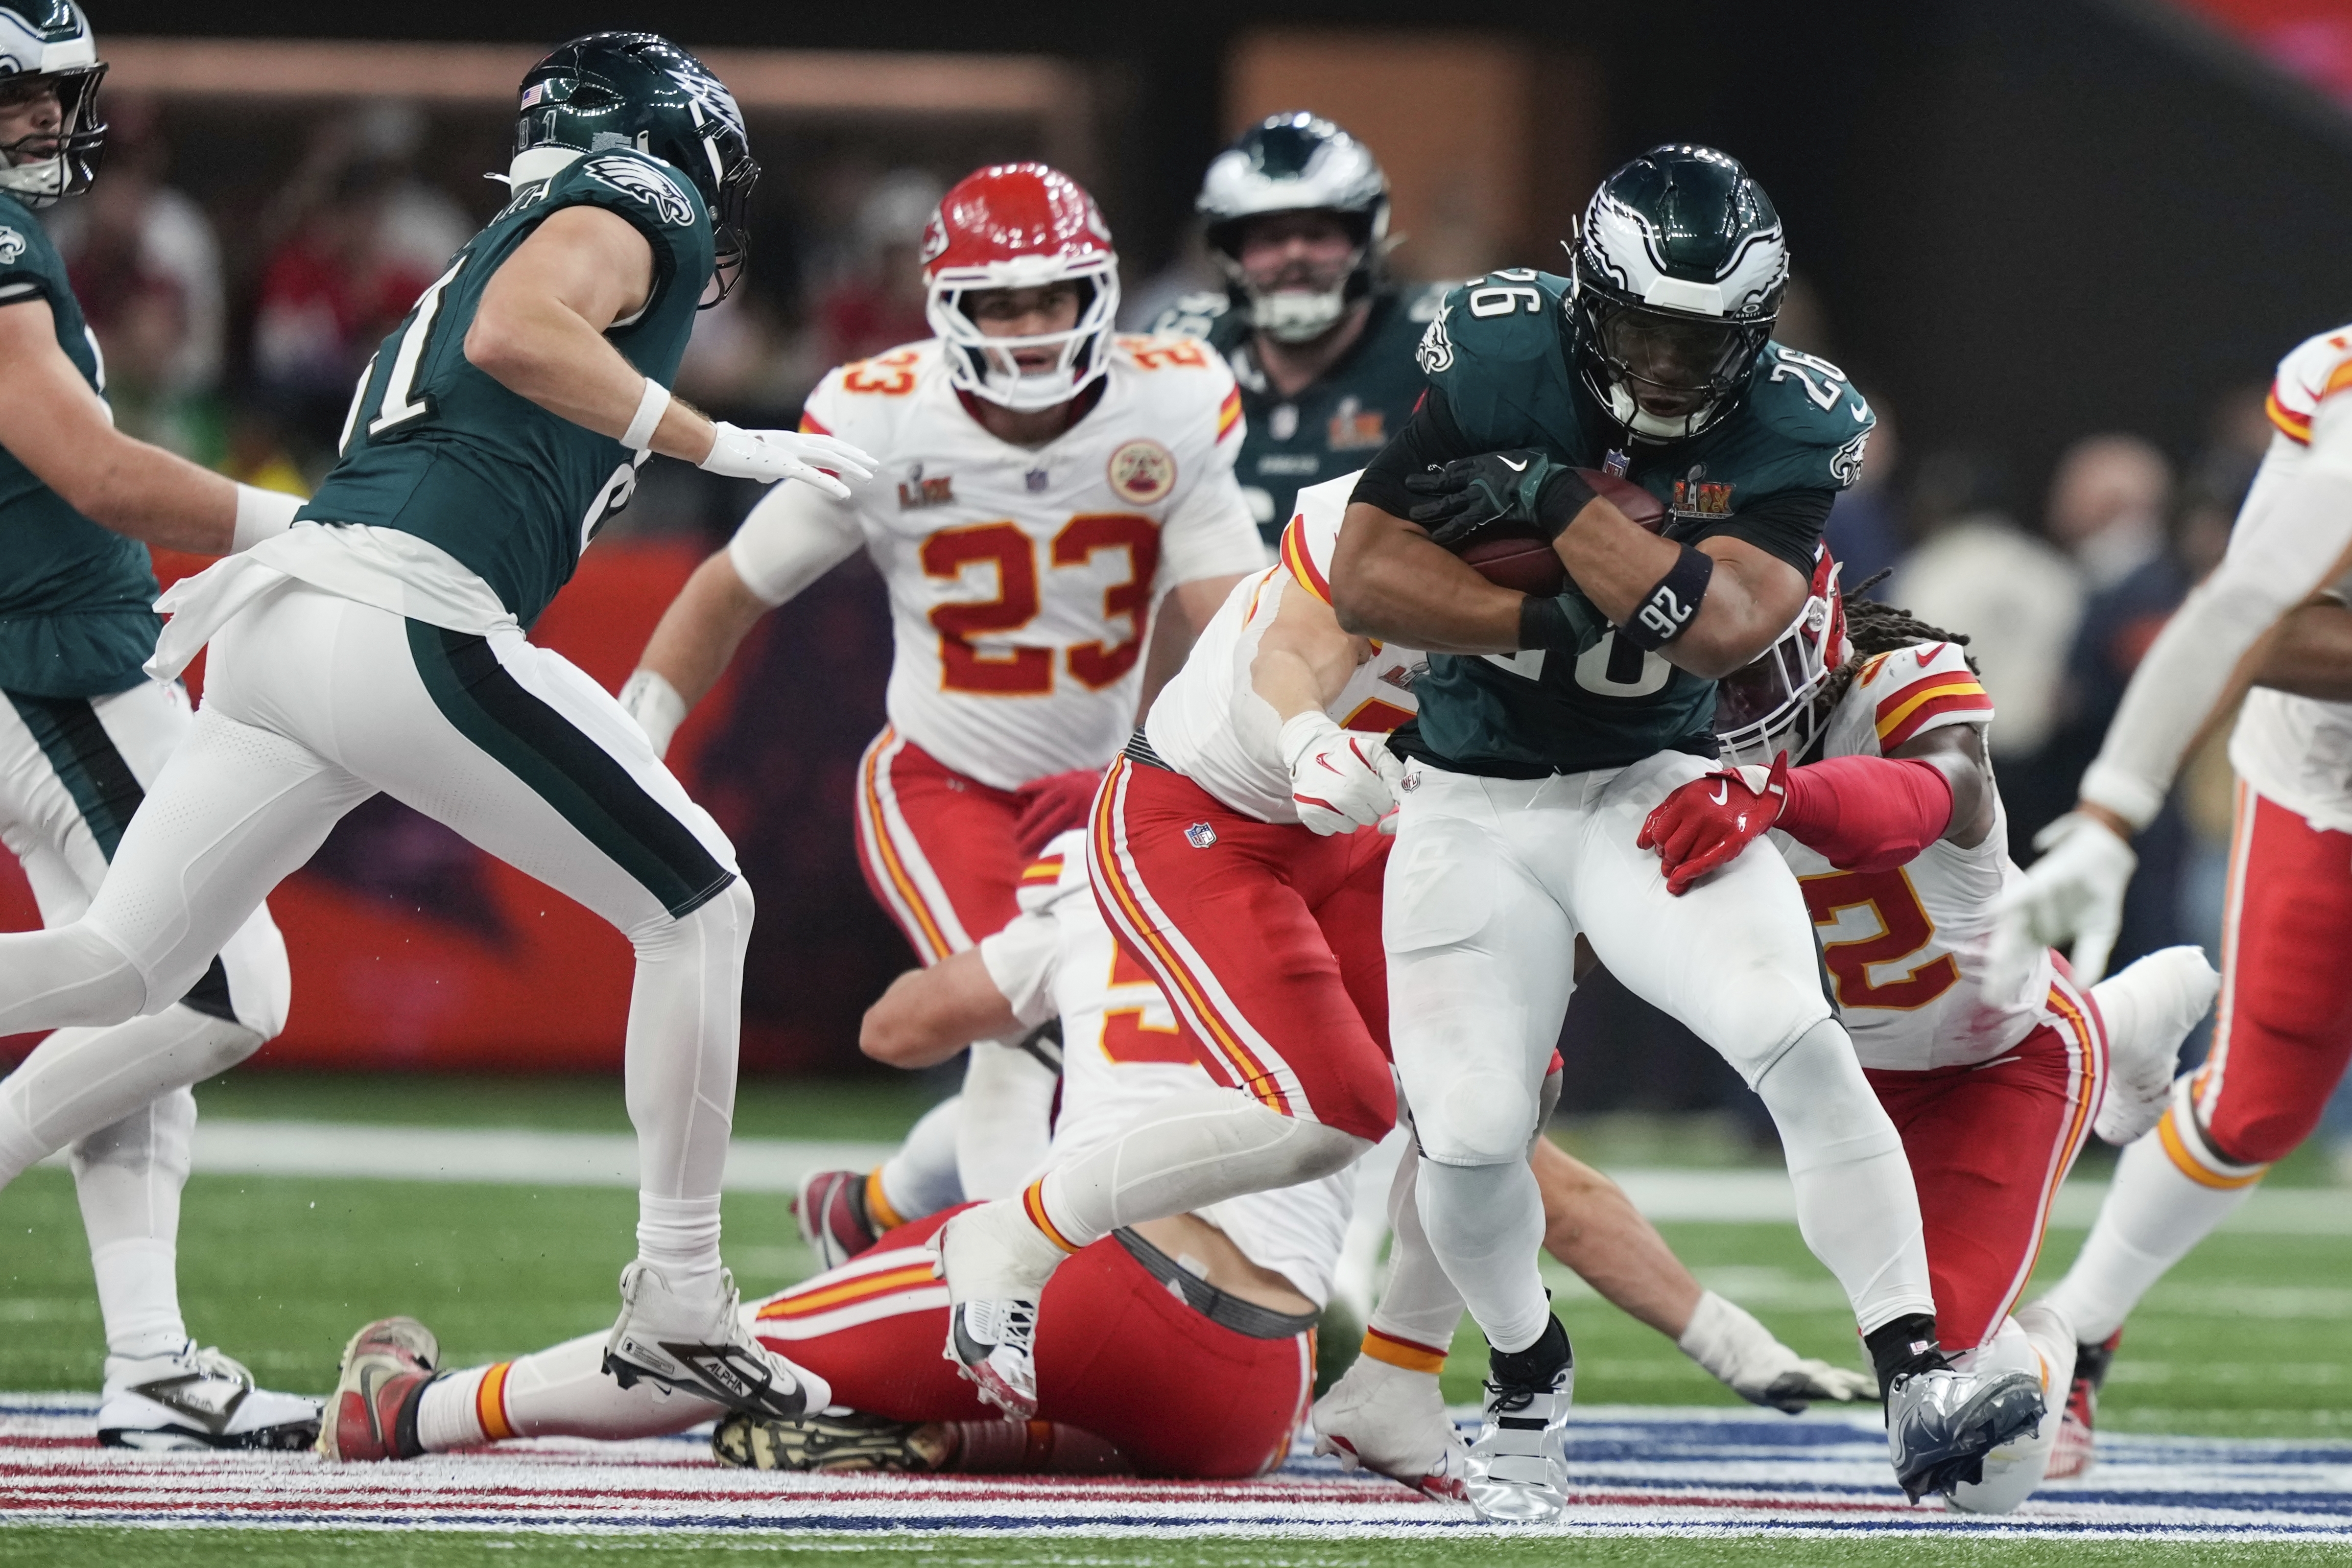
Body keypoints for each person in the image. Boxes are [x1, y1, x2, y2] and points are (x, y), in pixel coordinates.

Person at [0, 30, 879, 1449]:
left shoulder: (510, 225)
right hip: (399, 609)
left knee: (129, 964)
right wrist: (728, 444)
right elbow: (517, 336)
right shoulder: (629, 194)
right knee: (701, 902)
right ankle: (679, 1299)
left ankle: (677, 1301)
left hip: (299, 618)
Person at [1320, 144, 2041, 1518]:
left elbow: (1719, 624)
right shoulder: (1493, 352)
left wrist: (1545, 501)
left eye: (1701, 338)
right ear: (1589, 301)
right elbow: (1367, 579)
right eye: (1644, 325)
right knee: (1469, 1132)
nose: (1665, 364)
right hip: (1468, 799)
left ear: (1756, 335)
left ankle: (1916, 1371)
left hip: (1653, 776)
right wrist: (1554, 612)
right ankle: (1526, 1374)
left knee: (1790, 1030)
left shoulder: (1793, 418)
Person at [618, 163, 1265, 1206]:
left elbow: (1234, 618)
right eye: (998, 303)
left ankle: (878, 1208)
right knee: (1017, 1016)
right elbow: (731, 586)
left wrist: (1249, 751)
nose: (1027, 328)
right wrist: (637, 727)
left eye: (1049, 298)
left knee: (1105, 1036)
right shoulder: (888, 417)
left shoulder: (1168, 402)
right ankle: (1012, 1293)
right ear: (947, 309)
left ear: (1095, 295)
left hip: (1100, 792)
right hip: (944, 780)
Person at [321, 820, 1346, 1478]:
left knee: (706, 1338)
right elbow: (1481, 1162)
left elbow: (895, 1029)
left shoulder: (1106, 878)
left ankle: (414, 1412)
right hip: (1260, 1397)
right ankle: (949, 1424)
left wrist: (1033, 981)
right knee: (1110, 1398)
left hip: (1106, 1281)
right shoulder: (1369, 903)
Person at [1633, 561, 2216, 1511]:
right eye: (1711, 671)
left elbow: (1932, 795)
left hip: (2010, 1055)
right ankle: (2129, 1018)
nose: (1730, 699)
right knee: (1946, 1405)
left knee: (1979, 1472)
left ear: (1817, 637)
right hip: (1869, 1081)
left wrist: (1782, 795)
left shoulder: (1901, 679)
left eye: (1749, 669)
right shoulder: (1676, 742)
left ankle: (2067, 1329)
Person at [0, 0, 314, 1450]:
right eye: (18, 93)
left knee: (132, 1007)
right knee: (219, 984)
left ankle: (149, 1357)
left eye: (59, 94)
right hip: (51, 661)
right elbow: (94, 469)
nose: (49, 122)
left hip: (66, 644)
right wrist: (316, 521)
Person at [1995, 323, 2352, 1477]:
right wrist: (2108, 813)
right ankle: (2079, 1323)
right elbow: (2250, 619)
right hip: (2331, 770)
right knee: (2262, 1098)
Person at [1153, 112, 1441, 545]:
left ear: (1363, 238)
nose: (1294, 254)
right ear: (1231, 251)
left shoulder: (1440, 341)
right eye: (1269, 238)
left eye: (1317, 232)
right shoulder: (1184, 348)